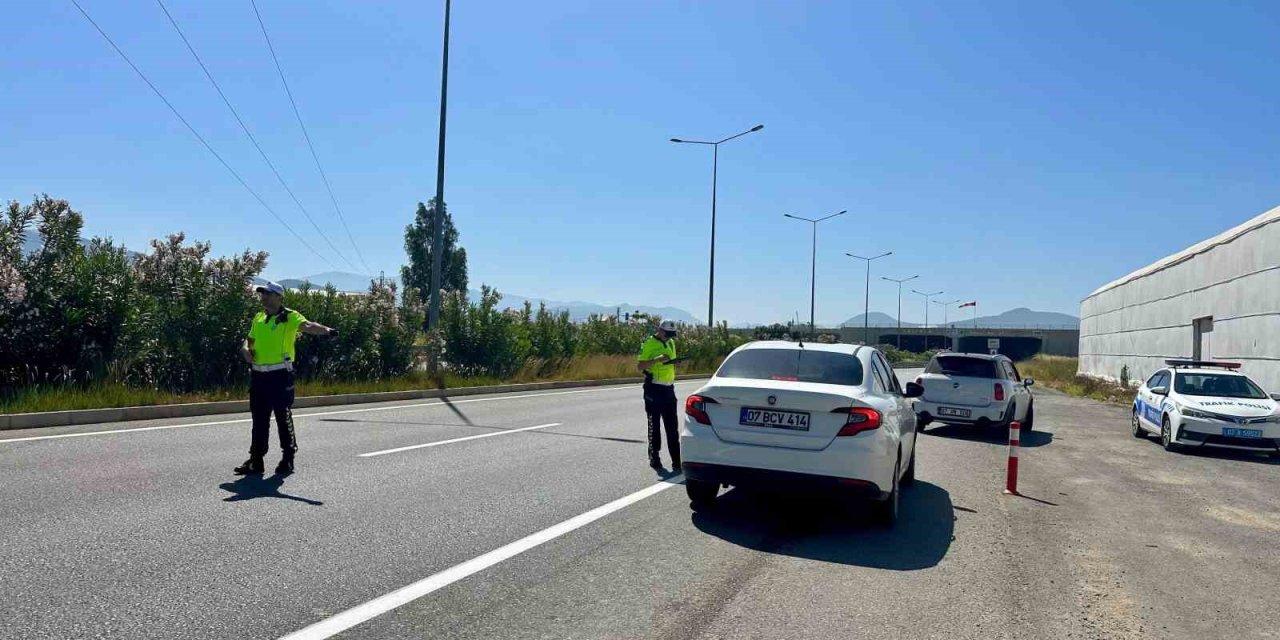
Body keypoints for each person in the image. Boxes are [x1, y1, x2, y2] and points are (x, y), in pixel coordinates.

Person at [233, 281, 337, 476]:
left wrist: (326, 331)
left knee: (283, 416)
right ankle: (256, 460)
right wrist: (245, 349)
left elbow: (307, 325)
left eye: (268, 294)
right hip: (258, 376)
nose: (264, 297)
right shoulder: (259, 317)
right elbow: (250, 340)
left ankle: (288, 458)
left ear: (279, 297)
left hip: (280, 376)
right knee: (259, 419)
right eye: (263, 293)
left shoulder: (289, 316)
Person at [637, 319, 680, 471]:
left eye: (671, 335)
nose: (669, 337)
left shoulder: (671, 343)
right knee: (654, 425)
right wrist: (657, 359)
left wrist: (675, 363)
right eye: (667, 334)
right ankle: (654, 457)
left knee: (672, 427)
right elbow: (640, 366)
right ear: (660, 330)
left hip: (669, 389)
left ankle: (677, 460)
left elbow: (670, 362)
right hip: (654, 389)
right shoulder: (649, 344)